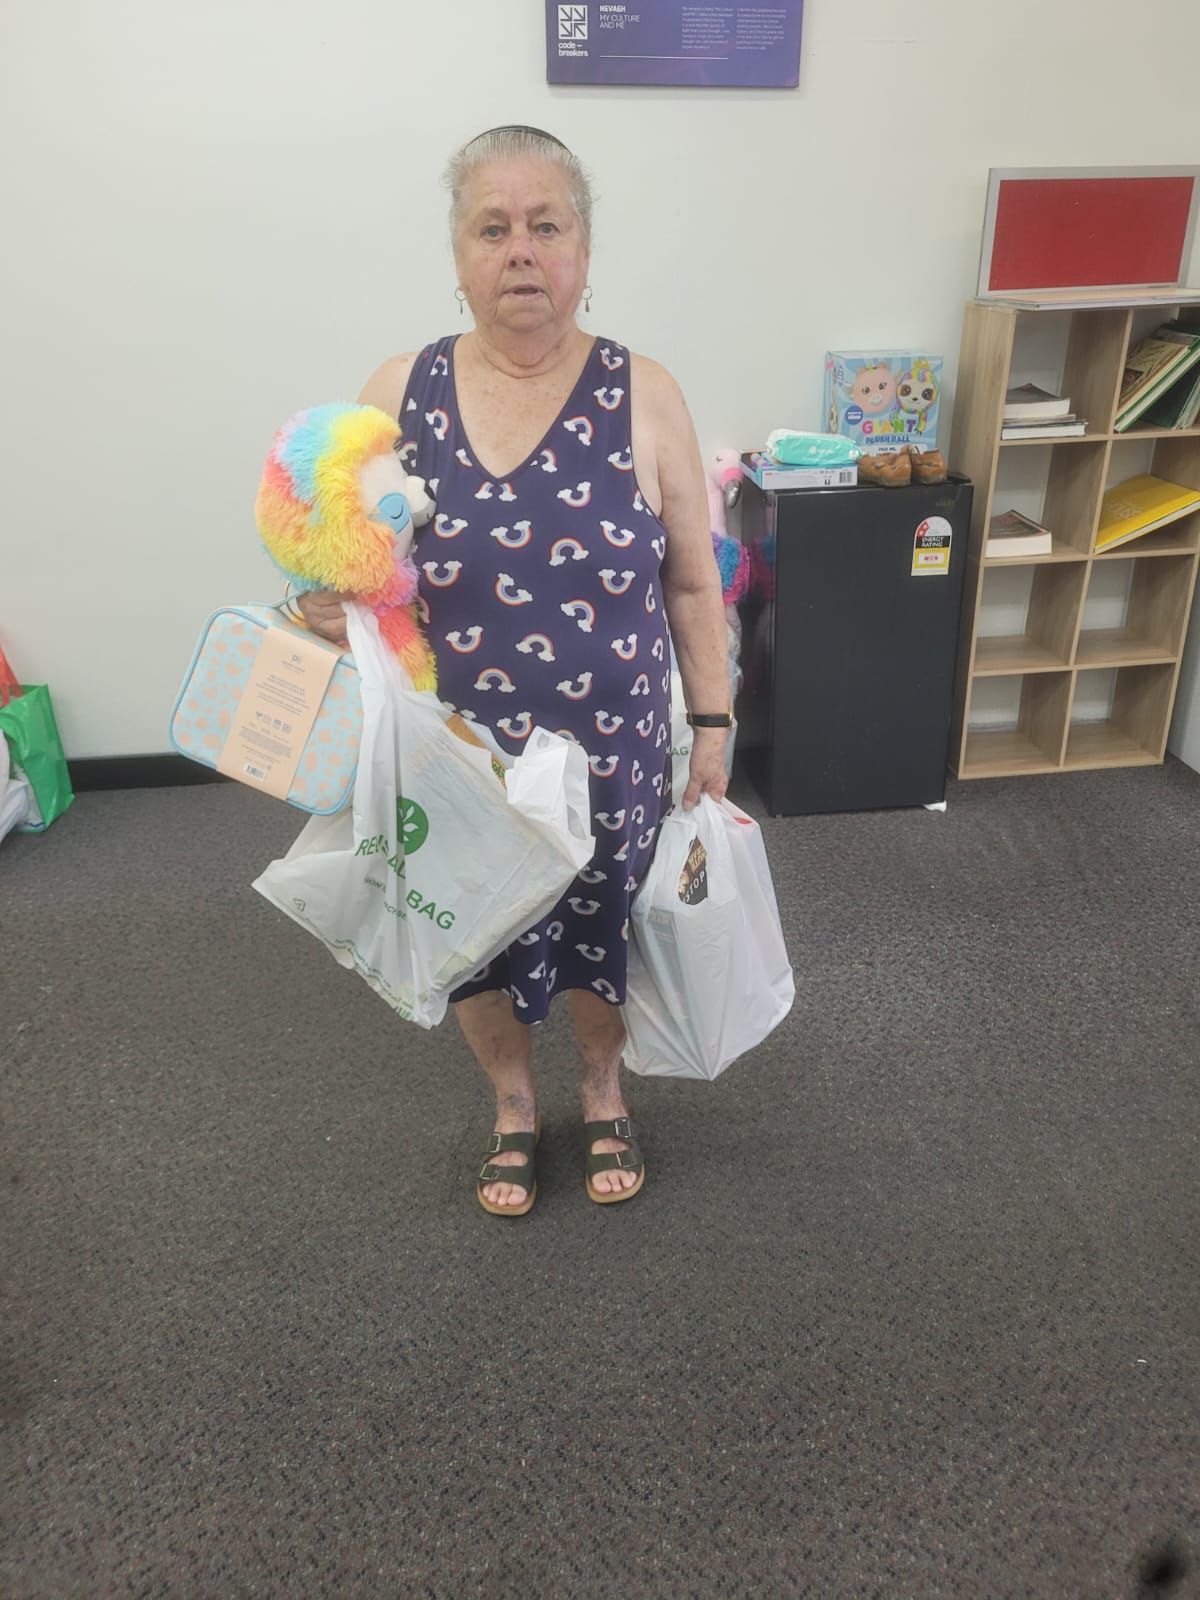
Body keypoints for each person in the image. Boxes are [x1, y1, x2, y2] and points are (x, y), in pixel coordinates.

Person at [298, 125, 731, 1214]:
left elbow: (691, 581)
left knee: (603, 919)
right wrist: (321, 602)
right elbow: (346, 560)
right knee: (473, 927)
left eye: (547, 225)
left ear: (584, 249)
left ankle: (601, 1088)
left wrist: (714, 723)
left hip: (612, 747)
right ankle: (511, 1103)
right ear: (459, 255)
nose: (522, 250)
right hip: (456, 749)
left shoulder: (646, 392)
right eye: (493, 229)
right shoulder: (400, 388)